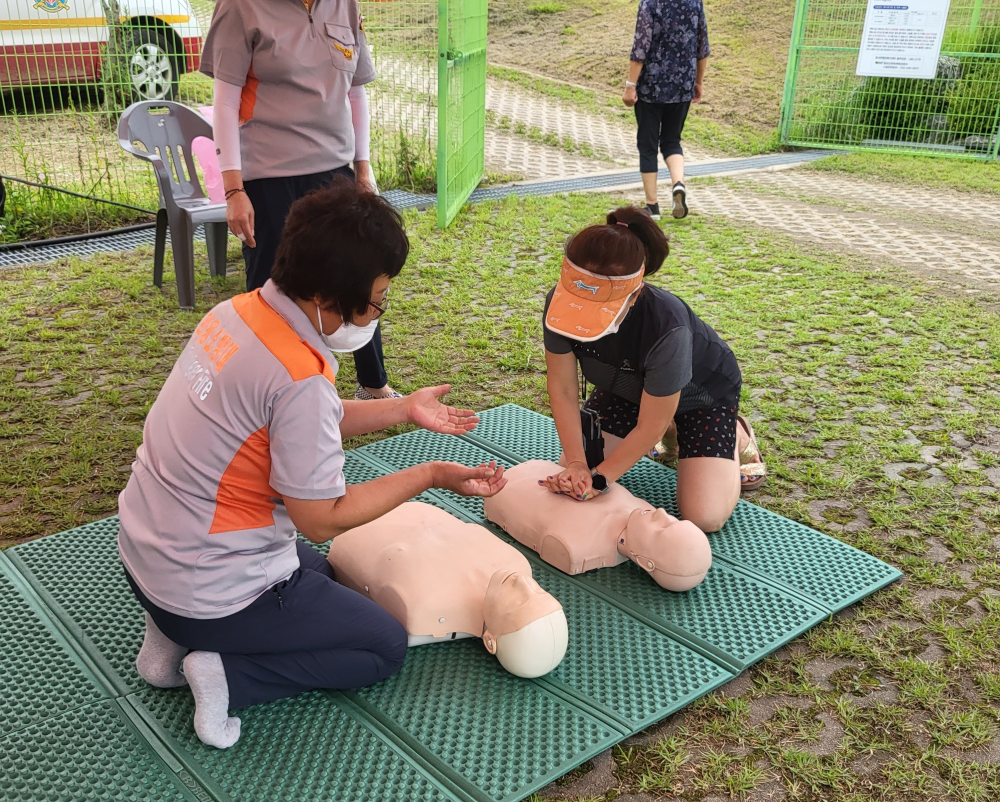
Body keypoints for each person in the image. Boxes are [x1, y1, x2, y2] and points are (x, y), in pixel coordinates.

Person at [117, 180, 506, 750]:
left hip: (146, 553)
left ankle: (163, 646)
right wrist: (429, 475)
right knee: (381, 646)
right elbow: (321, 518)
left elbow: (295, 423)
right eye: (377, 298)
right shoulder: (298, 377)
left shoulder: (236, 314)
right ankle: (227, 676)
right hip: (208, 590)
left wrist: (402, 409)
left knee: (320, 573)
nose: (377, 312)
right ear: (328, 296)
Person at [200, 0, 399, 400]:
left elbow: (356, 93)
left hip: (335, 170)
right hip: (268, 176)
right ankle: (263, 393)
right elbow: (225, 101)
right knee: (271, 288)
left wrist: (363, 169)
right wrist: (234, 189)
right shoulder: (239, 7)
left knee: (358, 272)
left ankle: (373, 384)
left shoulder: (344, 5)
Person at [539, 206, 766, 534]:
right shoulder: (559, 304)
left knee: (704, 517)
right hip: (626, 391)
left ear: (634, 294)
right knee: (571, 469)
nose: (582, 316)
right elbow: (562, 389)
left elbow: (650, 426)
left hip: (702, 397)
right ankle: (674, 431)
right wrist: (576, 463)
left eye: (598, 309)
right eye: (578, 302)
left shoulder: (667, 328)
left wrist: (600, 481)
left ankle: (736, 435)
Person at [623, 0, 710, 220]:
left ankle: (652, 207)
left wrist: (630, 85)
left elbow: (640, 47)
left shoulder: (650, 3)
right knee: (672, 141)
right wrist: (698, 81)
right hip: (682, 85)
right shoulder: (695, 2)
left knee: (648, 145)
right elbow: (702, 47)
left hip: (650, 87)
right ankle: (678, 184)